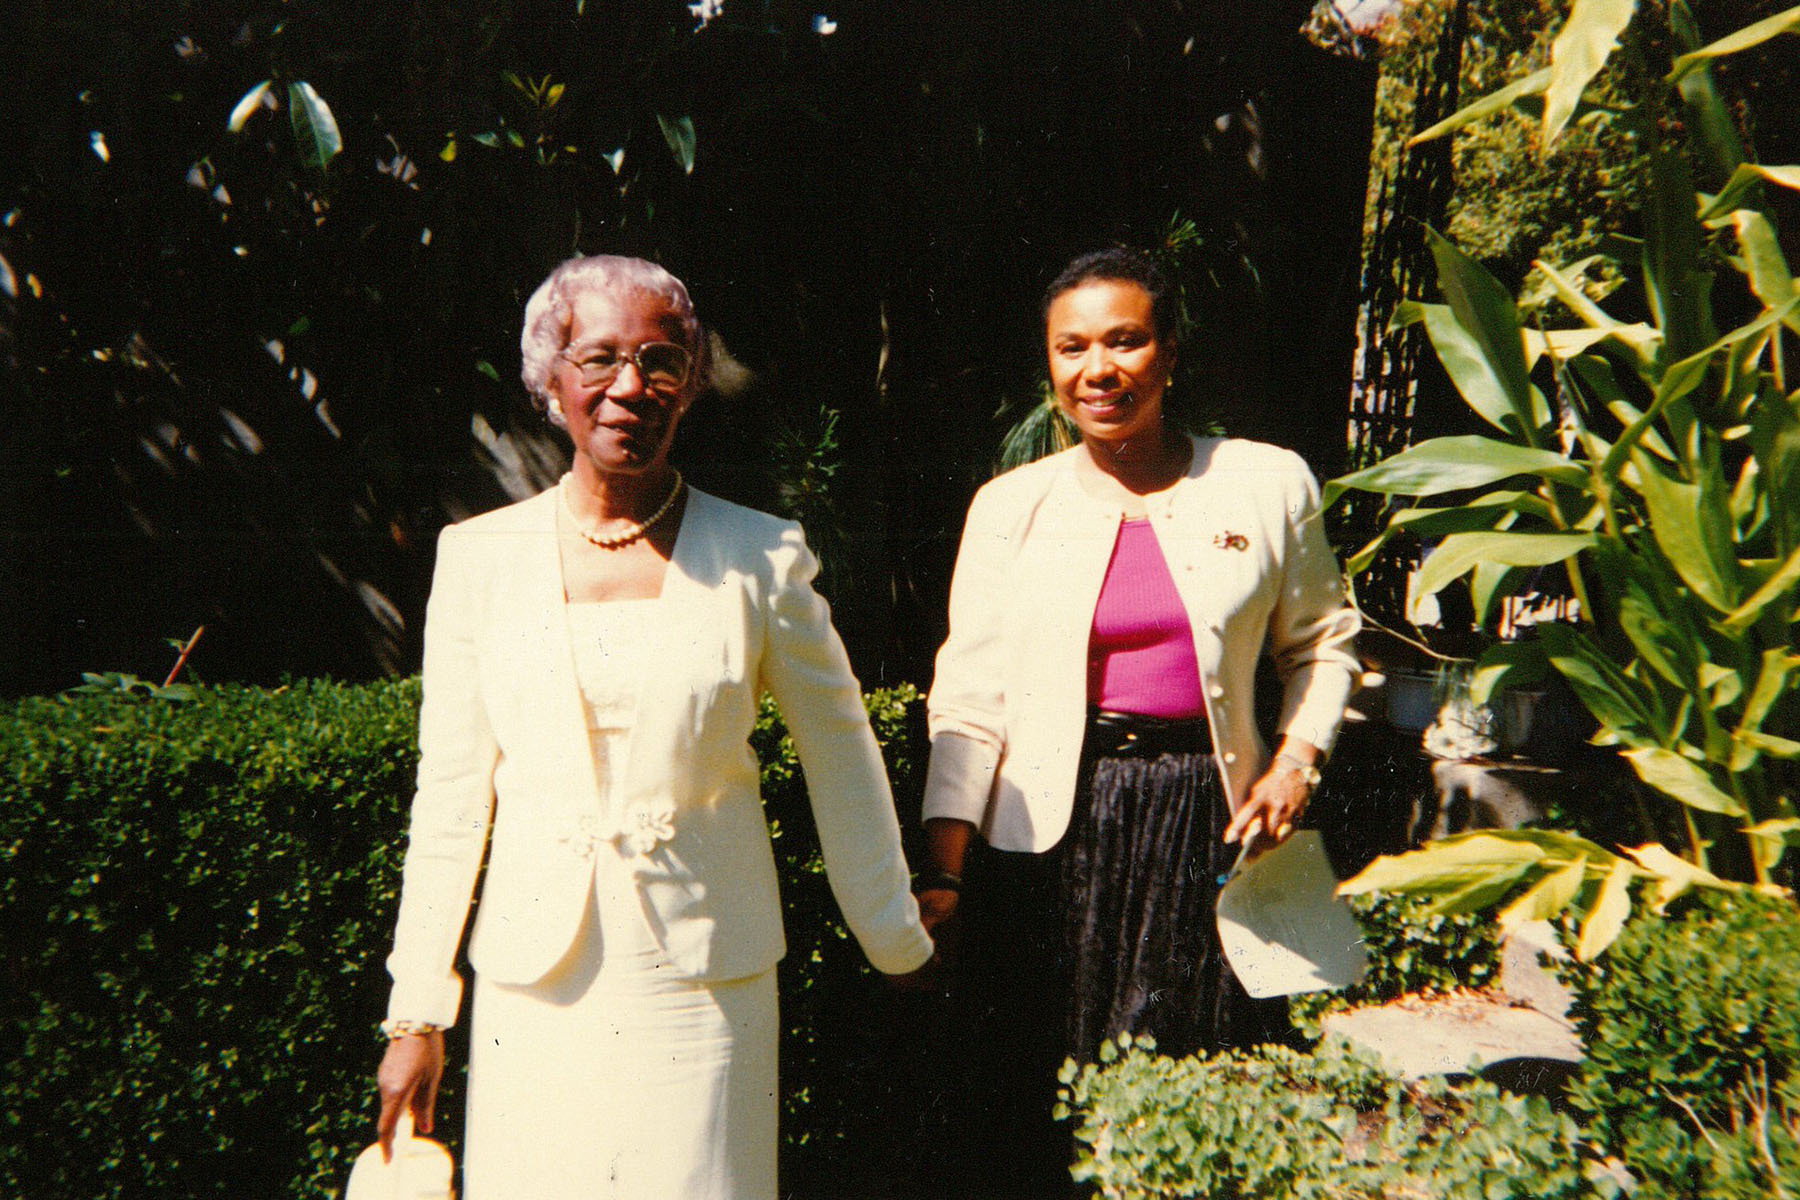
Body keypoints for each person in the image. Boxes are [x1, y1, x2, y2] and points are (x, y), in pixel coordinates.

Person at [371, 254, 934, 1200]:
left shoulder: (762, 556)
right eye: (599, 358)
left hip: (703, 984)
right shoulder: (478, 561)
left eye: (663, 359)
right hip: (531, 982)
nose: (632, 386)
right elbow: (452, 799)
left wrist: (897, 937)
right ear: (551, 379)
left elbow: (842, 755)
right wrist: (416, 1014)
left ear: (693, 380)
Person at [915, 247, 1360, 1195]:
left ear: (1167, 353)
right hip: (1051, 826)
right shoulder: (1010, 508)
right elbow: (969, 699)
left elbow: (1324, 643)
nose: (1098, 369)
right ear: (1049, 366)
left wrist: (1293, 764)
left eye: (1126, 340)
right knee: (1046, 1083)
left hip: (1211, 814)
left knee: (1200, 1060)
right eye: (1071, 348)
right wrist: (944, 872)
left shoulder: (1264, 483)